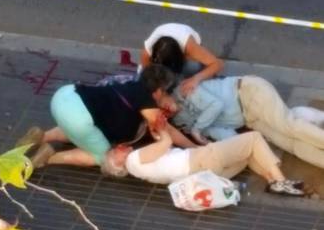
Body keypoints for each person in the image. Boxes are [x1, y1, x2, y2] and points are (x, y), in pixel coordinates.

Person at [17, 65, 194, 168]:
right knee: (101, 156)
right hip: (80, 118)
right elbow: (165, 131)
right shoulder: (147, 102)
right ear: (160, 91)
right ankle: (50, 157)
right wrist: (194, 147)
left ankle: (43, 136)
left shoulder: (129, 83)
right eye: (167, 92)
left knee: (83, 128)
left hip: (65, 96)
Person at [171, 75, 324, 168]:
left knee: (288, 125)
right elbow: (233, 139)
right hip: (252, 120)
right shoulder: (195, 126)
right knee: (291, 146)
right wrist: (212, 147)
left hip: (248, 92)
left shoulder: (185, 91)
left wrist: (197, 129)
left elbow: (215, 104)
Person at [101, 128, 305, 197]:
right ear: (117, 162)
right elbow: (167, 143)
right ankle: (280, 181)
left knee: (247, 154)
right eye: (116, 150)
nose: (120, 147)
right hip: (201, 159)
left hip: (205, 176)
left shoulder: (139, 173)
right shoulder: (135, 158)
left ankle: (271, 180)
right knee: (253, 138)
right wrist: (160, 129)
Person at [140, 23, 224, 95]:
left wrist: (196, 79)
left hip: (185, 39)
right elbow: (146, 74)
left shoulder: (190, 47)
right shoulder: (148, 51)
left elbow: (217, 64)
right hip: (169, 37)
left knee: (194, 67)